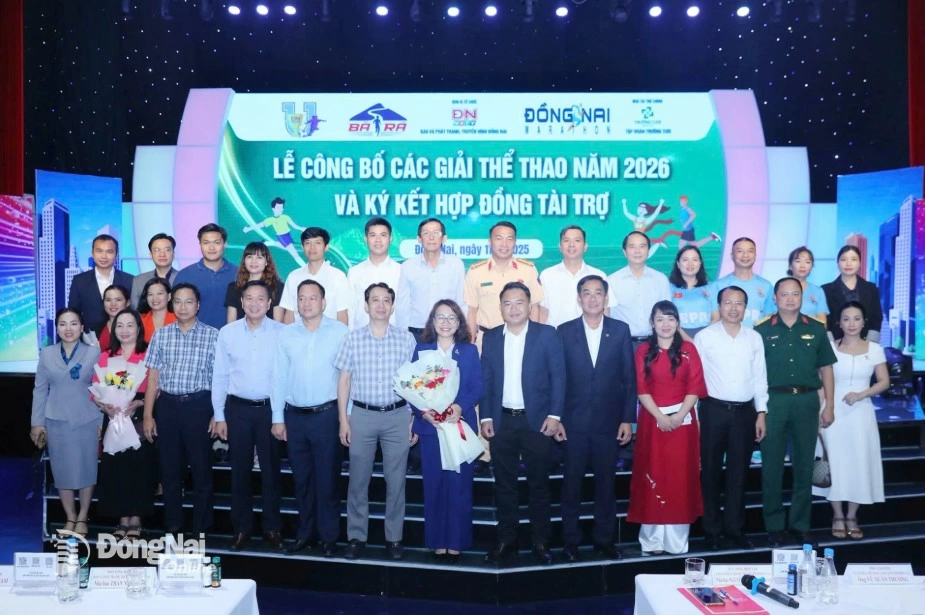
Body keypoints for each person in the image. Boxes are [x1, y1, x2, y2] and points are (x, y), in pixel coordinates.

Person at [480, 282, 565, 565]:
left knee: (538, 485)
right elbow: (487, 381)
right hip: (502, 421)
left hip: (538, 423)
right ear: (500, 307)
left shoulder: (547, 335)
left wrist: (555, 416)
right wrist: (486, 417)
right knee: (504, 485)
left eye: (519, 302)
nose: (514, 308)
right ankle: (507, 540)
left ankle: (541, 541)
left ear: (530, 306)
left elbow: (558, 378)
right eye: (507, 303)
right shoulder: (491, 337)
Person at [334, 283, 417, 560]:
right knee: (358, 480)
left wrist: (411, 420)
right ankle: (357, 536)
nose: (381, 305)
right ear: (366, 306)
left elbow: (415, 384)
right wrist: (343, 421)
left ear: (392, 307)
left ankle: (394, 538)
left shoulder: (407, 340)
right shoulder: (352, 339)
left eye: (386, 300)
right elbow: (344, 380)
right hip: (362, 416)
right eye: (375, 300)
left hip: (397, 416)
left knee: (396, 481)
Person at [558, 275, 635, 561]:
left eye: (598, 293)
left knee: (606, 485)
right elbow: (558, 379)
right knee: (571, 486)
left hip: (608, 424)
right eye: (586, 293)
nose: (592, 298)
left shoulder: (620, 330)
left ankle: (604, 539)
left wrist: (628, 419)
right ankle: (571, 541)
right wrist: (557, 418)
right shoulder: (564, 331)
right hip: (572, 424)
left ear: (606, 298)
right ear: (579, 298)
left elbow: (628, 378)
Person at [755, 277, 837, 547]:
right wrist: (760, 410)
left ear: (802, 297)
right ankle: (774, 526)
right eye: (784, 295)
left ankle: (800, 525)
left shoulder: (815, 328)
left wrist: (830, 406)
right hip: (774, 402)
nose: (790, 299)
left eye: (795, 294)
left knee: (803, 466)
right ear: (775, 298)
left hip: (806, 402)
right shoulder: (762, 331)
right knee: (772, 468)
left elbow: (826, 369)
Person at [272, 279, 349, 556]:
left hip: (327, 416)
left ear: (324, 302)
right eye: (301, 298)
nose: (306, 303)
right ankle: (305, 534)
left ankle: (329, 537)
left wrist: (346, 418)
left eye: (312, 298)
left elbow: (347, 378)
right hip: (295, 417)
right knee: (301, 479)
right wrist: (277, 417)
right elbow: (278, 377)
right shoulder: (286, 334)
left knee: (328, 479)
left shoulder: (340, 332)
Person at [627, 301, 707, 555]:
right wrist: (661, 416)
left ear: (678, 322)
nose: (665, 324)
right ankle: (651, 541)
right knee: (652, 474)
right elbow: (641, 388)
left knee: (679, 479)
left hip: (683, 424)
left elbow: (695, 387)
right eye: (660, 319)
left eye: (671, 319)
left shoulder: (689, 350)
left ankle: (676, 542)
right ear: (652, 322)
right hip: (653, 421)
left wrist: (678, 415)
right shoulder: (642, 351)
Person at [212, 280, 285, 551]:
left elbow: (283, 376)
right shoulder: (227, 333)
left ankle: (272, 528)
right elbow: (219, 375)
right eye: (249, 298)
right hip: (237, 409)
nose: (254, 303)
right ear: (241, 303)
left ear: (269, 303)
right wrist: (219, 415)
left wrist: (280, 416)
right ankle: (241, 528)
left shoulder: (281, 333)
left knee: (271, 472)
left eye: (260, 299)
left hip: (270, 410)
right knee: (239, 472)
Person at [142, 283, 221, 535]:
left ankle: (202, 525)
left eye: (189, 301)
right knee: (169, 468)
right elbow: (153, 377)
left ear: (198, 305)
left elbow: (220, 378)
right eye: (178, 301)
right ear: (171, 304)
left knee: (201, 469)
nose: (183, 306)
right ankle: (173, 523)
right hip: (168, 407)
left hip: (199, 406)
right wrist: (147, 415)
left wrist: (217, 414)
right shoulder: (161, 335)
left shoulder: (214, 335)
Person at [693, 286, 768, 550]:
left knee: (739, 473)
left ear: (745, 308)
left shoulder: (754, 338)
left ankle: (734, 529)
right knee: (710, 472)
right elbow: (694, 379)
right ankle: (711, 530)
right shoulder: (704, 337)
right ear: (719, 305)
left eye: (739, 303)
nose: (733, 308)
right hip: (713, 411)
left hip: (745, 413)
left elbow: (760, 377)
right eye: (728, 302)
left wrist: (761, 412)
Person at [410, 300, 482, 562]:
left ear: (459, 322)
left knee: (460, 486)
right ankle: (437, 542)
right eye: (440, 317)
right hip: (432, 429)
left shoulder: (469, 351)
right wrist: (423, 412)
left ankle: (457, 541)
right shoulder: (421, 350)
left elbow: (477, 387)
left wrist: (460, 408)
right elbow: (412, 388)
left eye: (451, 317)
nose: (445, 322)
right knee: (435, 486)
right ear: (432, 321)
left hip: (458, 427)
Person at [813, 301, 888, 540]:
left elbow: (884, 381)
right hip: (832, 413)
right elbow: (823, 384)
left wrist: (861, 394)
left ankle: (853, 516)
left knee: (859, 463)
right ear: (838, 323)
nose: (851, 324)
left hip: (861, 414)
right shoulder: (829, 349)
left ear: (864, 322)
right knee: (835, 464)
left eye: (856, 318)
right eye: (846, 319)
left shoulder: (875, 348)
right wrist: (818, 414)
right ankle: (837, 515)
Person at [30, 308, 102, 538]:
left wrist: (102, 420)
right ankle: (70, 516)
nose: (68, 329)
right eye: (63, 324)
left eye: (74, 324)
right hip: (55, 418)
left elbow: (102, 389)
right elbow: (40, 390)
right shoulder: (47, 353)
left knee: (86, 468)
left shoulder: (94, 352)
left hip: (87, 418)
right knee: (61, 471)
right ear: (57, 328)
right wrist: (36, 422)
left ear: (82, 328)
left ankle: (83, 516)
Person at [93, 309, 154, 541]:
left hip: (138, 419)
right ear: (113, 330)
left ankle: (136, 519)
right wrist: (104, 406)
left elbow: (156, 387)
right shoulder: (106, 356)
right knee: (116, 468)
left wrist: (139, 402)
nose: (125, 330)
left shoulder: (147, 354)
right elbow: (97, 388)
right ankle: (121, 519)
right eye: (120, 326)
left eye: (130, 325)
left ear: (139, 328)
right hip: (114, 419)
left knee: (138, 468)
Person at [464, 221, 544, 345]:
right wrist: (469, 346)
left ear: (515, 243)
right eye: (499, 238)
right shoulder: (475, 272)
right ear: (490, 242)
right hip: (486, 340)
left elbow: (534, 307)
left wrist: (533, 341)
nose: (504, 244)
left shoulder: (528, 270)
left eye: (509, 239)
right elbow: (472, 312)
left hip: (521, 340)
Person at [395, 218, 466, 342]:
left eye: (436, 233)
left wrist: (462, 331)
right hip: (417, 331)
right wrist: (402, 334)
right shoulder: (408, 266)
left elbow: (461, 300)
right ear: (419, 239)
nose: (431, 237)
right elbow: (403, 304)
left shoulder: (456, 265)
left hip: (448, 331)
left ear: (444, 238)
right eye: (426, 233)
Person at [607, 231, 671, 349]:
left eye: (642, 246)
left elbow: (667, 313)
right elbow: (607, 316)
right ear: (624, 252)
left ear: (648, 251)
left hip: (655, 344)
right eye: (632, 247)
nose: (637, 251)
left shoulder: (660, 279)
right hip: (622, 344)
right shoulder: (612, 281)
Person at [537, 225, 607, 328]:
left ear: (585, 246)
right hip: (555, 338)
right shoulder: (546, 275)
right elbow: (542, 313)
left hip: (589, 339)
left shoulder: (599, 276)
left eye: (577, 240)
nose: (571, 245)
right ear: (560, 246)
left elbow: (606, 312)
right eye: (566, 240)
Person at [279, 227, 349, 326]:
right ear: (302, 248)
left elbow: (342, 314)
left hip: (330, 337)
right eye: (308, 243)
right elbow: (289, 314)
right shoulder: (293, 276)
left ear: (326, 247)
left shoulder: (338, 276)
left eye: (317, 243)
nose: (312, 247)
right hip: (300, 337)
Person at [173, 223, 237, 331]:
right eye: (206, 243)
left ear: (225, 244)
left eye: (217, 242)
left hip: (232, 339)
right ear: (200, 244)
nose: (211, 247)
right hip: (196, 340)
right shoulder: (185, 275)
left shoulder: (239, 274)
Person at [68, 234, 134, 333]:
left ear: (116, 254)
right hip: (90, 341)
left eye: (109, 252)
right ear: (92, 253)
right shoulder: (79, 281)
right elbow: (73, 313)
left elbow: (134, 312)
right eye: (99, 251)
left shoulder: (130, 280)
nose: (104, 256)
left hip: (123, 338)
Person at [347, 217, 401, 330]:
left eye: (383, 235)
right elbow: (351, 309)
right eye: (373, 235)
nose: (378, 240)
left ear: (390, 238)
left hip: (394, 338)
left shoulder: (401, 271)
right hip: (360, 337)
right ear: (366, 239)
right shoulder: (354, 272)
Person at [822, 245, 883, 343]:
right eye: (844, 259)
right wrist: (831, 345)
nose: (848, 263)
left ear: (860, 263)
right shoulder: (825, 290)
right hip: (836, 346)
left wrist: (870, 343)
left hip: (866, 345)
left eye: (853, 259)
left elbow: (877, 317)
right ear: (838, 263)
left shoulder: (871, 288)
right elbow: (823, 321)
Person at [714, 237, 773, 328]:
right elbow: (715, 319)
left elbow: (770, 317)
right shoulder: (719, 285)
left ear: (755, 255)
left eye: (750, 251)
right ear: (732, 255)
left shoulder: (766, 286)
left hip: (757, 339)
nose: (745, 255)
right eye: (740, 251)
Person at [225, 241, 284, 323]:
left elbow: (278, 322)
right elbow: (231, 323)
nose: (254, 261)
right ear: (244, 261)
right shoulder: (234, 287)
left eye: (259, 257)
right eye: (249, 257)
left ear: (266, 261)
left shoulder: (277, 287)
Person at [668, 245, 719, 339]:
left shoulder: (711, 287)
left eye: (695, 259)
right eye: (685, 260)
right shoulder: (669, 288)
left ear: (700, 263)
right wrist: (689, 341)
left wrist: (702, 339)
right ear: (678, 264)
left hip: (707, 337)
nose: (690, 264)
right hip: (677, 336)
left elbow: (716, 317)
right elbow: (668, 318)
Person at [243, 196, 307, 266]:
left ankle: (268, 243)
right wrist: (248, 229)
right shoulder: (271, 220)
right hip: (282, 237)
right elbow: (259, 225)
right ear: (273, 209)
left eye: (281, 208)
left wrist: (301, 228)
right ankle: (305, 267)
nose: (280, 210)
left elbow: (294, 226)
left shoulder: (285, 217)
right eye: (278, 208)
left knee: (286, 247)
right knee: (294, 254)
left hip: (288, 235)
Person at [130, 233, 179, 309]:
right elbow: (135, 311)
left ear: (173, 254)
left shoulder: (183, 277)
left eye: (167, 250)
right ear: (151, 255)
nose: (162, 254)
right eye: (157, 250)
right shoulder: (138, 281)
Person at [787, 246, 829, 325]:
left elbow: (822, 323)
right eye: (798, 261)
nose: (803, 265)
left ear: (812, 267)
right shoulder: (780, 289)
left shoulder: (818, 291)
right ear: (790, 266)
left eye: (807, 262)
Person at [137, 277, 176, 343]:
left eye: (159, 293)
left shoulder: (178, 319)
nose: (155, 298)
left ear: (169, 296)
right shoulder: (140, 321)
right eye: (150, 294)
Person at [93, 284, 130, 349]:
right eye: (108, 300)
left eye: (118, 300)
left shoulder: (135, 326)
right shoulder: (97, 328)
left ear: (128, 302)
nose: (113, 304)